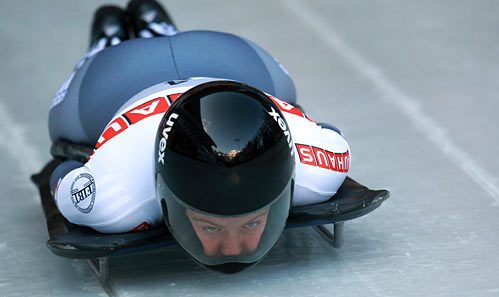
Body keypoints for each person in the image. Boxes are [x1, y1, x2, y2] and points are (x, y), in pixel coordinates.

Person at [49, 0, 351, 273]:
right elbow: (60, 174)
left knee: (68, 130)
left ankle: (115, 39)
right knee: (65, 130)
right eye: (211, 228)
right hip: (212, 58)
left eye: (253, 222)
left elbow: (62, 174)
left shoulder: (114, 201)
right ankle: (118, 42)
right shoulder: (113, 201)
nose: (233, 250)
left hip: (123, 73)